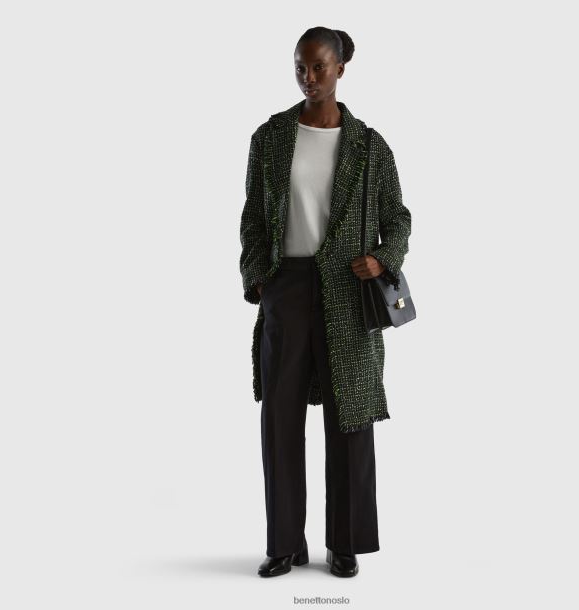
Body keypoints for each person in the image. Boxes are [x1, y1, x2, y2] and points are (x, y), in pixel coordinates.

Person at [238, 26, 412, 578]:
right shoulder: (270, 137)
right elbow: (253, 217)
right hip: (286, 286)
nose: (308, 77)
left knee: (350, 418)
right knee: (280, 418)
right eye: (300, 67)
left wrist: (382, 259)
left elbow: (397, 218)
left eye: (318, 67)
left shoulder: (369, 146)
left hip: (348, 288)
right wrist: (258, 278)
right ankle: (284, 543)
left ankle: (346, 543)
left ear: (341, 67)